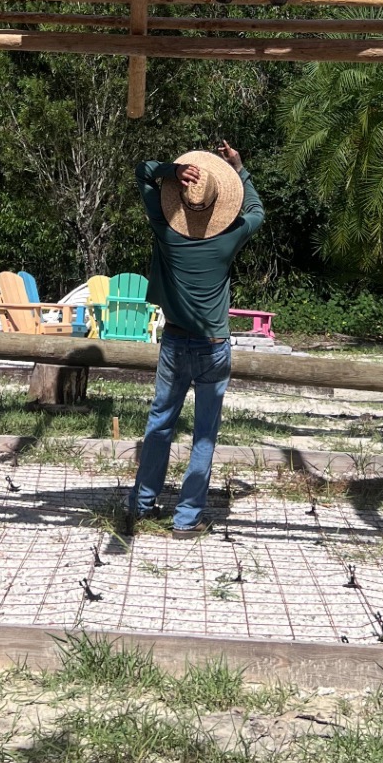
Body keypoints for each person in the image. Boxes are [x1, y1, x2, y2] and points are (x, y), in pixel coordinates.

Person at [130, 142, 264, 536]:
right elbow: (256, 210)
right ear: (219, 205)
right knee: (204, 433)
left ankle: (141, 505)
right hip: (213, 347)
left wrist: (172, 172)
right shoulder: (229, 238)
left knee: (160, 424)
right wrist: (239, 167)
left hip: (174, 343)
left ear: (181, 201)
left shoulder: (166, 233)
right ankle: (187, 518)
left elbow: (143, 170)